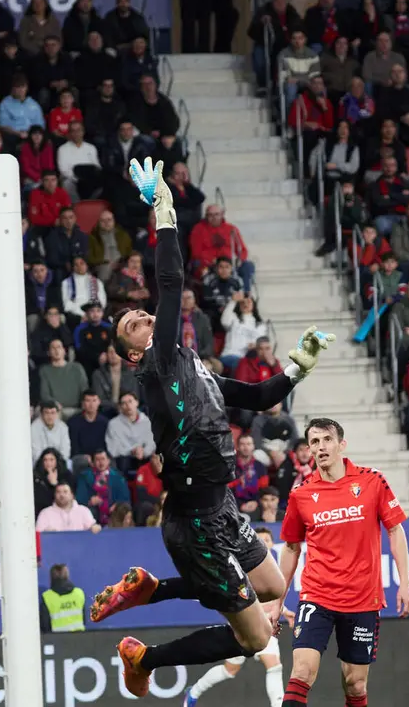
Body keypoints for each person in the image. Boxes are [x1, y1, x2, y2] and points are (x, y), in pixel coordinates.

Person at [90, 158, 334, 697]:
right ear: (134, 353)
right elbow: (171, 280)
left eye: (144, 315)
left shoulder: (193, 367)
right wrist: (164, 210)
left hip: (220, 505)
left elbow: (261, 397)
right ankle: (144, 658)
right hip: (195, 523)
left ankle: (152, 589)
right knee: (254, 637)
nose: (146, 318)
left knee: (272, 586)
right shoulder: (157, 366)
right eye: (134, 324)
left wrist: (298, 368)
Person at [270, 418, 409, 707]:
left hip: (363, 598)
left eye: (327, 440)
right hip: (317, 595)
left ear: (341, 444)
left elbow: (395, 530)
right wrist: (277, 602)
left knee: (355, 684)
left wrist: (405, 583)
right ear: (309, 449)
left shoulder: (372, 481)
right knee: (302, 671)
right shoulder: (301, 494)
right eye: (314, 441)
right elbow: (291, 548)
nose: (321, 447)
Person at [184, 527, 295, 707]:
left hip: (263, 625)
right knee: (230, 670)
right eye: (260, 540)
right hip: (244, 623)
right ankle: (194, 691)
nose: (264, 543)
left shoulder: (272, 569)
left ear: (272, 544)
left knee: (273, 665)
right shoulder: (246, 565)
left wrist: (285, 611)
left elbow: (269, 600)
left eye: (267, 540)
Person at [40, 564, 87, 633]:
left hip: (57, 638)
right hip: (80, 636)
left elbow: (45, 625)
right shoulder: (79, 593)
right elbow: (84, 620)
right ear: (67, 575)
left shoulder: (47, 596)